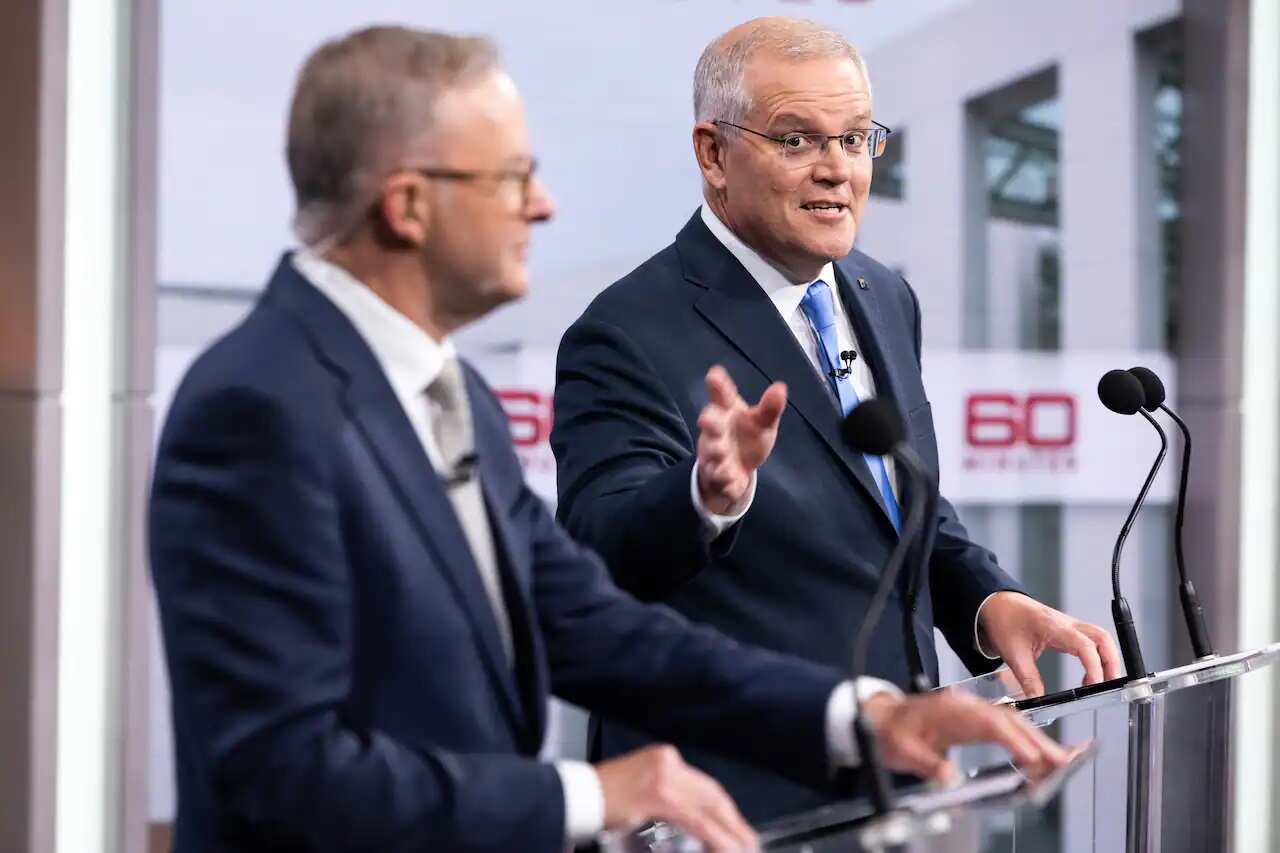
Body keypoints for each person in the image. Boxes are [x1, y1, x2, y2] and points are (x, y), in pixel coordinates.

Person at [150, 26, 1070, 853]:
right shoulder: (257, 406)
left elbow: (588, 624)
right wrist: (583, 796)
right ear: (407, 205)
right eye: (512, 178)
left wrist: (858, 718)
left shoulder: (451, 388)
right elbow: (280, 770)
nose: (542, 206)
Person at [551, 16, 1120, 821]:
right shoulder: (626, 331)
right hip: (731, 805)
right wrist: (707, 497)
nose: (837, 171)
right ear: (713, 153)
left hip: (901, 793)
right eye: (797, 141)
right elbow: (600, 553)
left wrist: (987, 602)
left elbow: (896, 504)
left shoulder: (882, 293)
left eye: (856, 140)